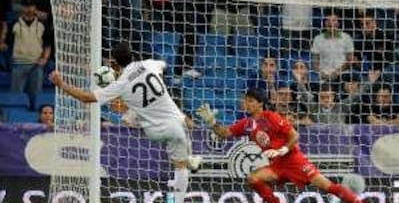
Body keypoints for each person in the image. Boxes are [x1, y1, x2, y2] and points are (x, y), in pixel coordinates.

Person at [49, 42, 201, 203]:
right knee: (180, 161)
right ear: (132, 56)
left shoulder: (120, 85)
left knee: (135, 112)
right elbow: (163, 65)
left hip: (151, 130)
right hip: (173, 125)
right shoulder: (148, 64)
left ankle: (189, 159)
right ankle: (180, 191)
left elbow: (87, 98)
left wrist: (61, 84)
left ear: (114, 63)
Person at [196, 88, 367, 203]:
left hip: (294, 160)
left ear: (259, 103)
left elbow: (294, 134)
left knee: (327, 186)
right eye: (245, 101)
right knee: (253, 178)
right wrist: (212, 122)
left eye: (250, 101)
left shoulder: (271, 116)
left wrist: (282, 149)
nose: (246, 104)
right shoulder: (247, 124)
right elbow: (224, 133)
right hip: (277, 165)